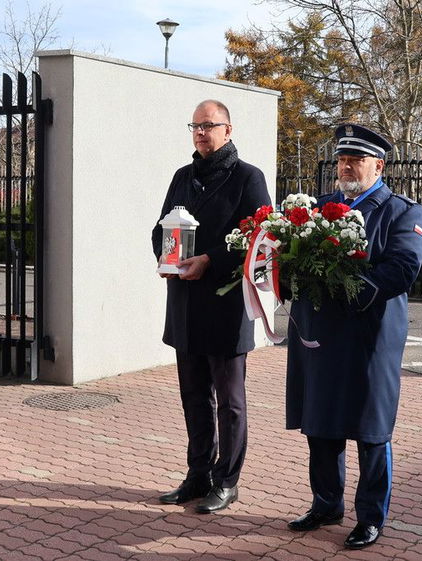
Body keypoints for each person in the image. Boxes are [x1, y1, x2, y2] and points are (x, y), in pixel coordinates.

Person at [284, 124, 422, 549]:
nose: (346, 167)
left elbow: (403, 266)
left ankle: (370, 517)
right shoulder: (317, 208)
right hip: (320, 333)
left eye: (356, 160)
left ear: (378, 166)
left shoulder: (401, 211)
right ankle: (326, 503)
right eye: (343, 159)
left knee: (370, 428)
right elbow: (291, 258)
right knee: (320, 421)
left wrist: (348, 289)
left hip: (369, 336)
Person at [151, 99, 271, 513]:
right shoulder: (182, 177)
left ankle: (227, 481)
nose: (200, 133)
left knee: (230, 402)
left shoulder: (248, 178)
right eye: (195, 126)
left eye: (208, 125)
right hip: (185, 303)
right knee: (194, 397)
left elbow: (259, 239)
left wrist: (210, 260)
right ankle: (198, 474)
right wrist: (165, 259)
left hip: (224, 307)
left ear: (228, 130)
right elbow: (160, 228)